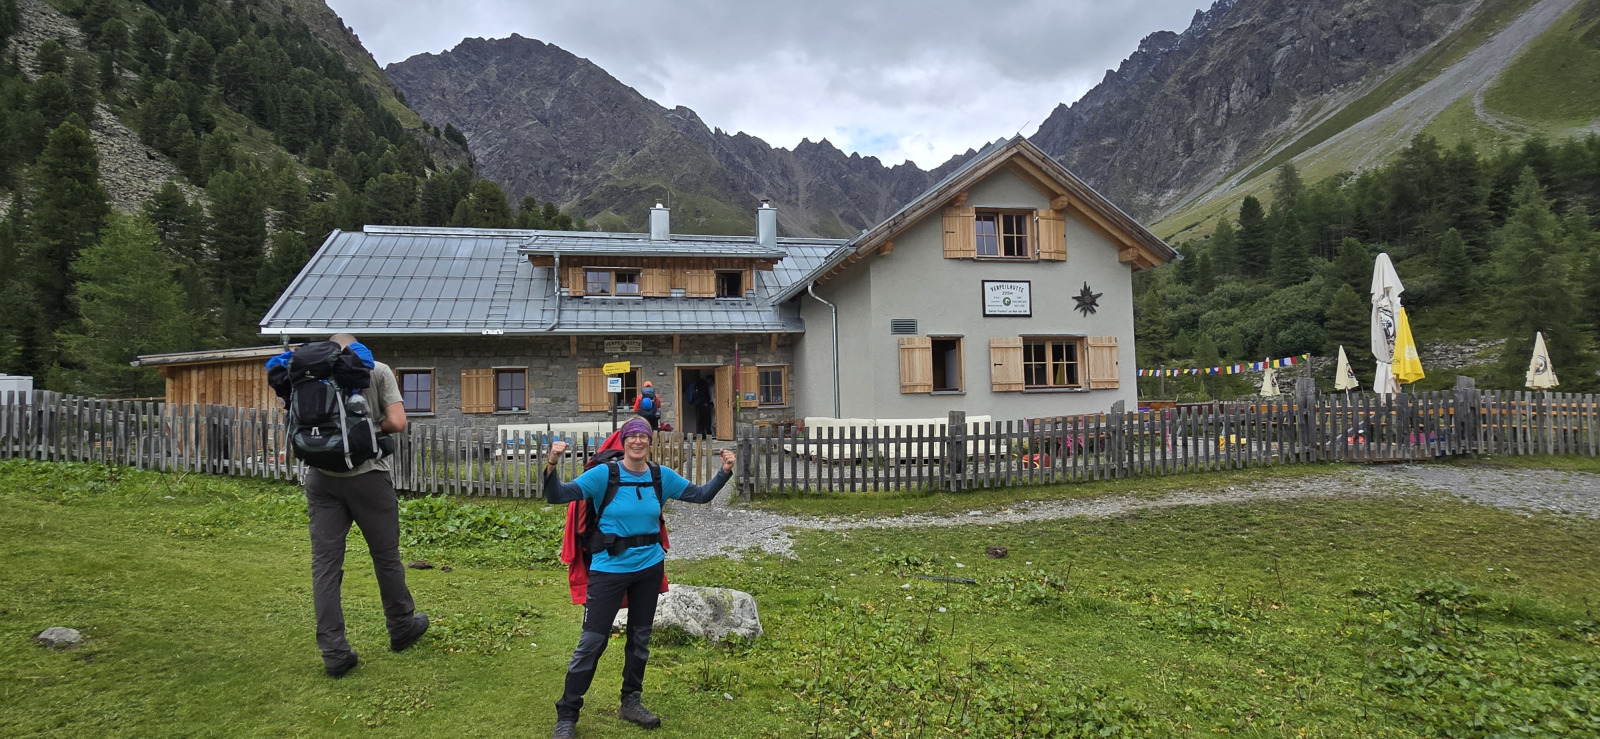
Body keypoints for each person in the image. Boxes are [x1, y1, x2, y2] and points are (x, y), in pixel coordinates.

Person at [542, 417, 735, 738]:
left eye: (643, 436)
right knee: (592, 642)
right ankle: (567, 714)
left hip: (648, 569)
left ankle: (631, 702)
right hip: (608, 570)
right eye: (631, 436)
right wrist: (552, 463)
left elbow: (701, 495)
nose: (637, 441)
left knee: (640, 639)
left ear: (649, 441)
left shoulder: (660, 476)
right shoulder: (604, 475)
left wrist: (724, 472)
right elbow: (557, 496)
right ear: (623, 441)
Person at [301, 333, 428, 677]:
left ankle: (334, 652)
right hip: (368, 476)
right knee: (385, 557)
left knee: (325, 565)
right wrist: (368, 427)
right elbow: (397, 422)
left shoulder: (311, 373)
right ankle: (401, 627)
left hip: (321, 478)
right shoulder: (377, 369)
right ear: (357, 347)